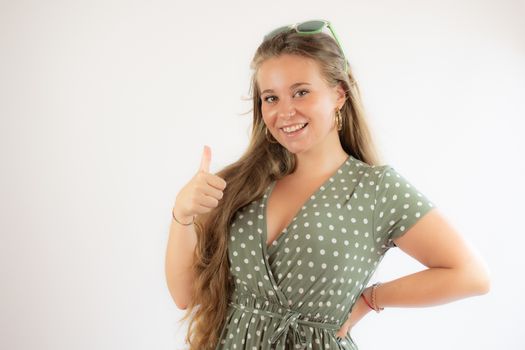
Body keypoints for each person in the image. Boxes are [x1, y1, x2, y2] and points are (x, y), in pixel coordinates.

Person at [165, 19, 491, 350]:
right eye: (271, 98)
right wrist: (182, 215)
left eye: (301, 92)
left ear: (338, 94)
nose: (284, 111)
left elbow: (471, 275)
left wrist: (371, 298)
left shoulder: (376, 190)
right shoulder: (239, 184)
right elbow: (185, 295)